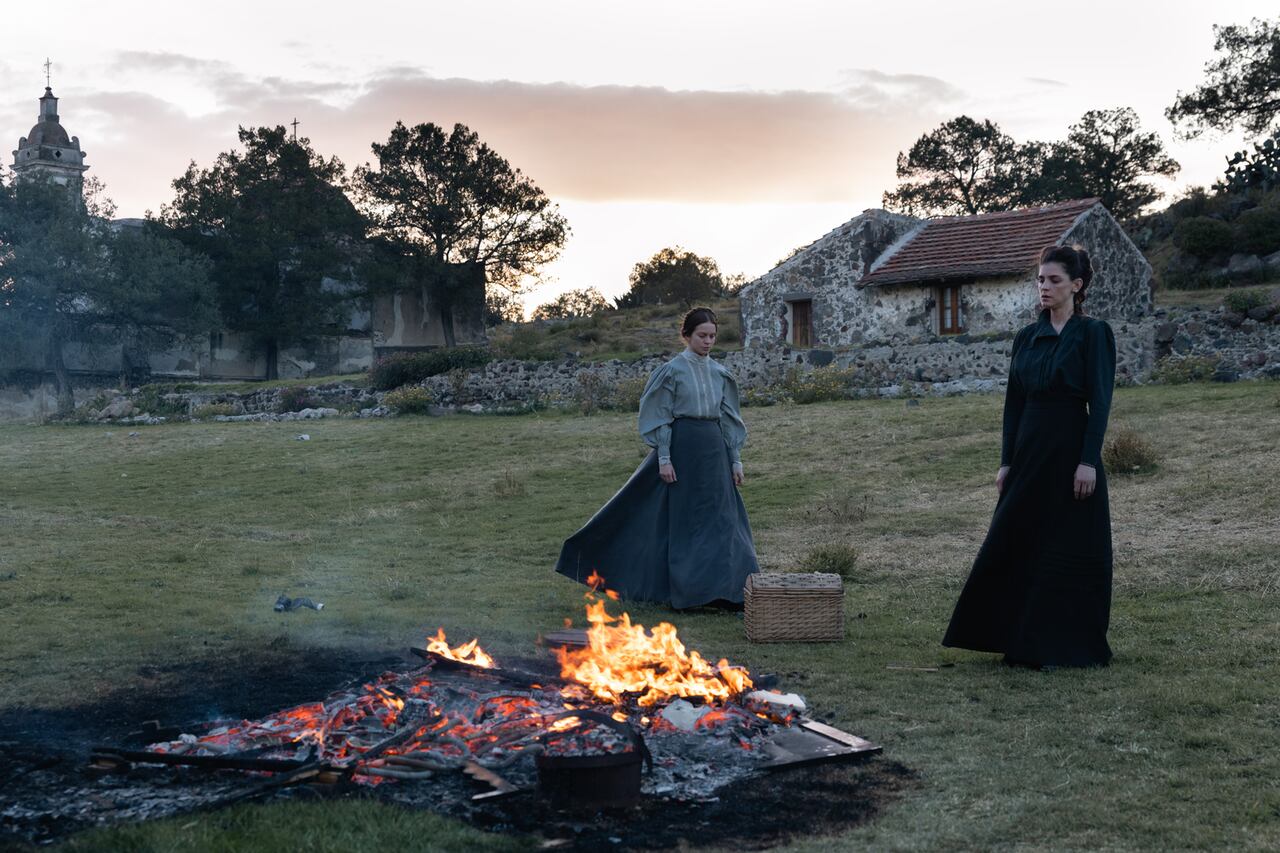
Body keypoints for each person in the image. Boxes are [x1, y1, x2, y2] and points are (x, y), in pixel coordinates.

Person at [942, 244, 1116, 669]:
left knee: (1069, 548)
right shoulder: (1026, 337)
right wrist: (1006, 461)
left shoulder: (1094, 333)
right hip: (1029, 452)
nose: (1045, 287)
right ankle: (1014, 638)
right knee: (1015, 542)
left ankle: (1066, 644)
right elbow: (1013, 404)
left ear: (1076, 285)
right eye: (1040, 279)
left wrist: (1088, 461)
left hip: (1071, 450)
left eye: (1054, 280)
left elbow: (1101, 401)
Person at [555, 307, 759, 609]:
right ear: (686, 335)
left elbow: (729, 419)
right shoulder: (672, 371)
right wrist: (664, 458)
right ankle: (689, 592)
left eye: (712, 336)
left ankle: (727, 592)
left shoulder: (720, 373)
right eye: (701, 335)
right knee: (683, 521)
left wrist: (736, 459)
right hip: (682, 450)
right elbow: (661, 416)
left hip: (714, 451)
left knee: (725, 521)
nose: (707, 341)